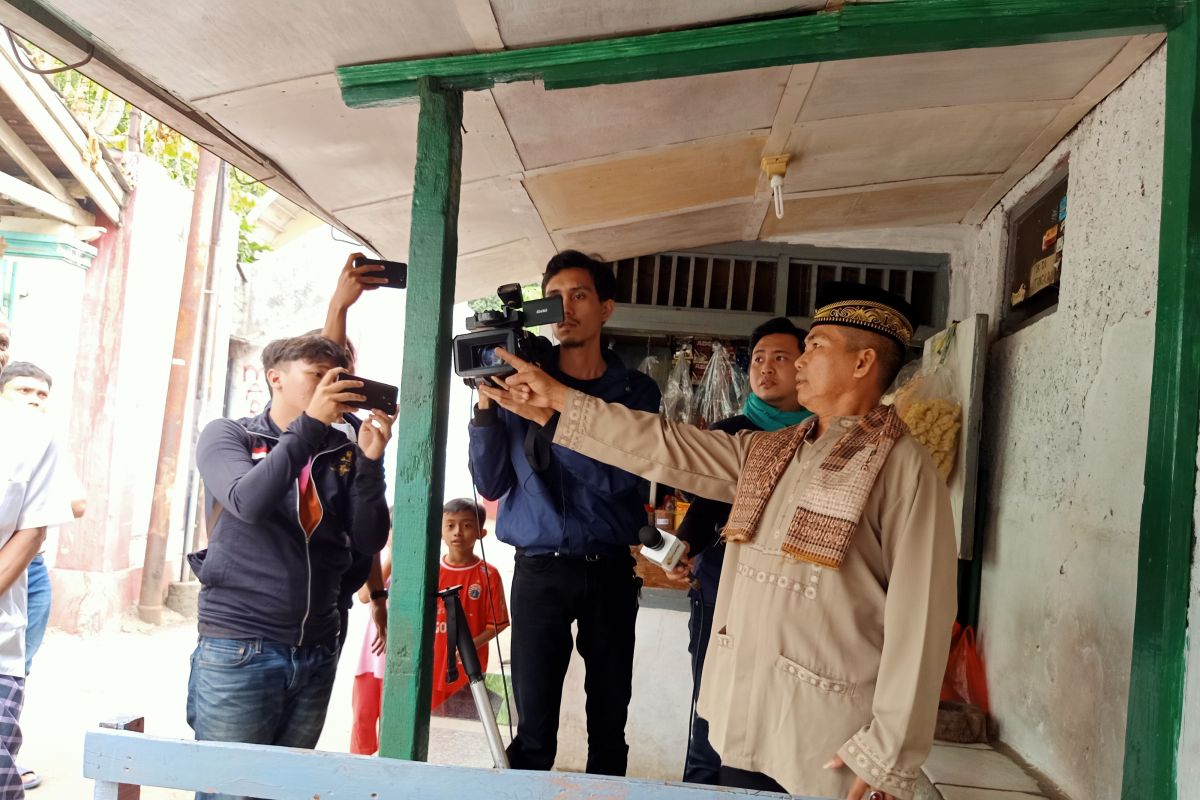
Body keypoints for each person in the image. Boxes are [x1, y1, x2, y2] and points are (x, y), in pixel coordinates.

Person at [481, 282, 957, 800]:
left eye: (815, 347)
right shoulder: (772, 451)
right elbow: (666, 444)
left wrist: (888, 753)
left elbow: (922, 619)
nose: (798, 362)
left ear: (863, 362)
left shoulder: (903, 468)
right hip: (745, 718)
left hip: (828, 734)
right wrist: (560, 404)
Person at [468, 250, 661, 776]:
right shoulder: (520, 381)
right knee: (532, 732)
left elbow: (621, 482)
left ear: (607, 309)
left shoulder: (635, 393)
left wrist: (552, 418)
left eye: (579, 295)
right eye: (555, 298)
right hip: (538, 572)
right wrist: (487, 404)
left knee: (608, 724)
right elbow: (491, 482)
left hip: (609, 571)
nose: (566, 308)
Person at [187, 333, 392, 800]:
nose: (330, 388)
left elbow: (368, 538)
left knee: (284, 791)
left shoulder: (342, 450)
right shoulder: (230, 435)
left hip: (316, 647)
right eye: (317, 376)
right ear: (275, 378)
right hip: (240, 645)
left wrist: (369, 464)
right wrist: (309, 427)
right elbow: (248, 501)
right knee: (228, 791)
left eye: (338, 378)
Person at [671, 317, 812, 786]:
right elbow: (705, 502)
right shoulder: (730, 432)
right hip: (719, 595)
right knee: (709, 712)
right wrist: (685, 547)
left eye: (780, 358)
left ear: (804, 365)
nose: (766, 369)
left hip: (791, 601)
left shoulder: (822, 436)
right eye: (757, 359)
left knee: (776, 715)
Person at [350, 499, 508, 754]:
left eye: (467, 526)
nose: (458, 532)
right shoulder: (406, 568)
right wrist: (392, 553)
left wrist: (467, 645)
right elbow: (365, 596)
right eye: (451, 525)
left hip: (444, 669)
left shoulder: (477, 573)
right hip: (394, 666)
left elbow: (496, 623)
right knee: (374, 728)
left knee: (444, 734)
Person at [0, 361, 88, 793]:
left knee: (17, 672)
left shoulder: (37, 439)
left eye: (41, 394)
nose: (34, 400)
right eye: (24, 390)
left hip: (25, 572)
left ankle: (9, 759)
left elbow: (73, 504)